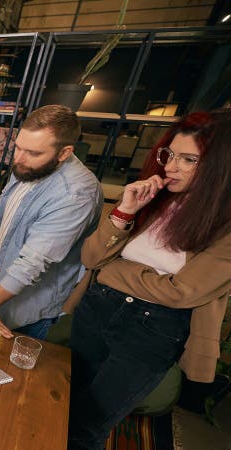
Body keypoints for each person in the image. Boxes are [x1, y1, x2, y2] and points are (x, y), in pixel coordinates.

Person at [68, 110, 231, 450]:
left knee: (87, 426)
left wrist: (115, 272)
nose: (170, 167)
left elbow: (181, 292)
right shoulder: (152, 198)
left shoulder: (224, 225)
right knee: (63, 402)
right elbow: (91, 258)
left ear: (220, 168)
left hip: (152, 330)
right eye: (169, 154)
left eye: (188, 160)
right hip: (98, 307)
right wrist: (125, 210)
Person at [0, 105, 102, 340]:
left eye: (33, 153)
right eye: (18, 148)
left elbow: (33, 262)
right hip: (0, 279)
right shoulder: (30, 165)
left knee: (7, 370)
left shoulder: (76, 193)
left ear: (64, 152)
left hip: (29, 303)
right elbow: (4, 207)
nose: (19, 159)